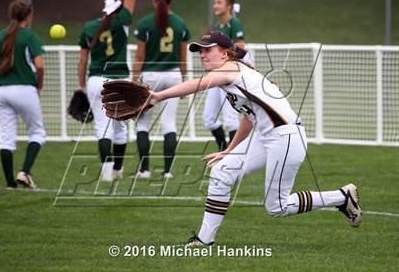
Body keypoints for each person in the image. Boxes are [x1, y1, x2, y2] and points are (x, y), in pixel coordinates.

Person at [148, 31, 363, 245]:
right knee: (222, 171)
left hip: (286, 137)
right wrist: (229, 149)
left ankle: (342, 197)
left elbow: (199, 84)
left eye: (208, 50)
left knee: (277, 207)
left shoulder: (231, 68)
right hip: (267, 136)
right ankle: (205, 240)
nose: (202, 54)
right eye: (200, 51)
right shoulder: (235, 74)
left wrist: (158, 96)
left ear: (224, 54)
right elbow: (249, 118)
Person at [77, 0, 136, 181]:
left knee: (103, 127)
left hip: (96, 81)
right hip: (120, 80)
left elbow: (83, 61)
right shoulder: (122, 22)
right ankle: (117, 170)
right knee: (120, 126)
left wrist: (82, 85)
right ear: (117, 10)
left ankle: (107, 173)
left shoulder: (89, 27)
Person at [132, 0, 190, 179]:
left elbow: (139, 57)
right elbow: (183, 59)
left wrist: (133, 82)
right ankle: (167, 171)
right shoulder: (180, 24)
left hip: (150, 76)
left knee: (142, 123)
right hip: (173, 76)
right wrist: (184, 82)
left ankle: (145, 170)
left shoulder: (145, 24)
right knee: (169, 124)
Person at [0, 0, 46, 189]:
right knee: (37, 133)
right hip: (24, 89)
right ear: (28, 16)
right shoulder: (30, 37)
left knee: (6, 138)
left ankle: (9, 184)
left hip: (2, 91)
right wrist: (39, 85)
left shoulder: (0, 36)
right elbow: (39, 66)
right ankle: (24, 172)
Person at [203, 0, 246, 151]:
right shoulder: (216, 26)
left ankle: (233, 158)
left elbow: (241, 49)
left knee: (230, 119)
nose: (215, 5)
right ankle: (224, 152)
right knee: (209, 119)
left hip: (229, 76)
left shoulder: (234, 24)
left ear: (228, 6)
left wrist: (225, 52)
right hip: (216, 75)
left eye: (219, 2)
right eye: (214, 2)